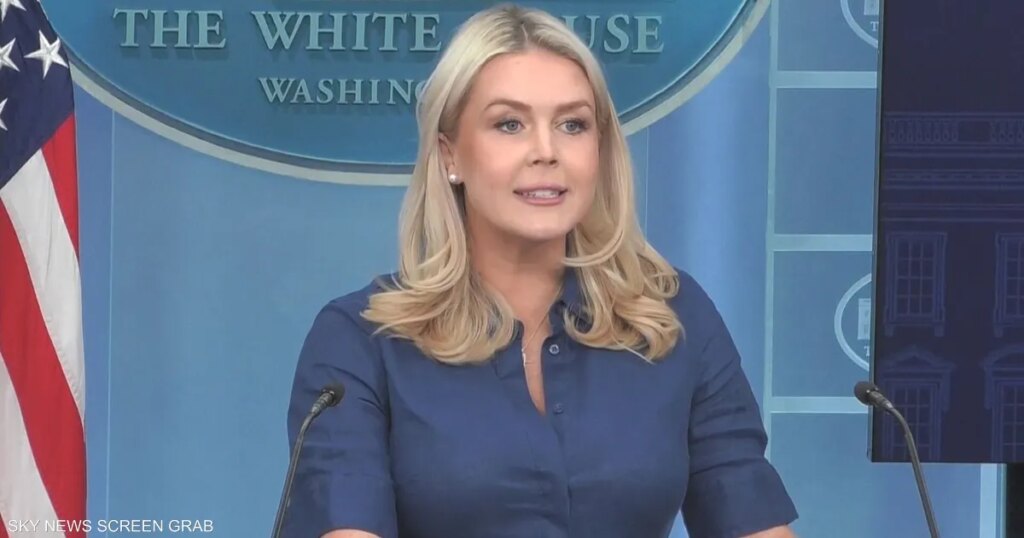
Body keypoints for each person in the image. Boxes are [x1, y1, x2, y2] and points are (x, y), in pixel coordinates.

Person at [285, 4, 798, 538]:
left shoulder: (672, 317)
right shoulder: (360, 341)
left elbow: (750, 514)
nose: (546, 151)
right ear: (449, 155)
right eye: (509, 124)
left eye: (572, 125)